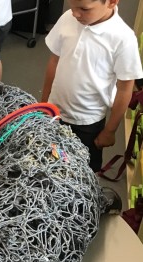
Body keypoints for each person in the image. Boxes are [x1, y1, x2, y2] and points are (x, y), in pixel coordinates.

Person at [41, 0, 143, 172]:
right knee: (52, 162)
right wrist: (44, 102)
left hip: (88, 122)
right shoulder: (68, 18)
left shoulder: (123, 38)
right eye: (72, 7)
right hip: (55, 112)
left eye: (84, 9)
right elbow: (54, 61)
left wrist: (110, 130)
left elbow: (125, 88)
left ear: (111, 2)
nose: (75, 14)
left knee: (83, 171)